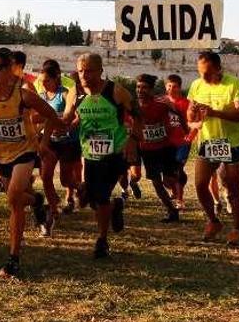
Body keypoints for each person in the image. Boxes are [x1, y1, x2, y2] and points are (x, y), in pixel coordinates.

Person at [0, 48, 61, 277]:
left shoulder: (24, 96)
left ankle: (13, 259)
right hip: (1, 155)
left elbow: (52, 116)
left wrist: (44, 143)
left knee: (12, 198)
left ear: (10, 69)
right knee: (20, 198)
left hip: (25, 151)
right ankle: (37, 200)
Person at [63, 53, 139, 259]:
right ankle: (116, 207)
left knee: (101, 195)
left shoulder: (115, 90)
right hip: (90, 154)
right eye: (80, 71)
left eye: (89, 71)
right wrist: (59, 126)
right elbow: (69, 116)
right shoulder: (74, 92)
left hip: (115, 152)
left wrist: (132, 140)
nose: (84, 75)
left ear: (100, 71)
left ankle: (102, 241)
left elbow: (138, 115)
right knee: (94, 201)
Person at [187, 51, 239, 245]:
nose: (202, 76)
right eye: (200, 72)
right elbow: (190, 115)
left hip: (231, 143)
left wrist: (214, 112)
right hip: (208, 142)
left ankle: (237, 228)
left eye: (207, 72)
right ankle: (213, 221)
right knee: (199, 184)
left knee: (233, 188)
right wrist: (193, 113)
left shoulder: (234, 84)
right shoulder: (197, 85)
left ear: (218, 68)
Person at [34, 60, 82, 231]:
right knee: (46, 176)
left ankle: (82, 188)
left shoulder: (65, 95)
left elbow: (78, 117)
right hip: (51, 142)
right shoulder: (41, 97)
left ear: (56, 79)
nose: (44, 84)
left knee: (65, 180)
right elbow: (38, 118)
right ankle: (53, 210)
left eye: (47, 80)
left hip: (69, 142)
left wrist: (67, 127)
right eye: (41, 81)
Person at [136, 74, 181, 223]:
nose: (140, 90)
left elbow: (178, 113)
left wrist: (185, 130)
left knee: (168, 181)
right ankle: (172, 211)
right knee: (156, 183)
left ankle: (178, 176)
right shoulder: (133, 106)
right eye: (138, 87)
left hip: (165, 147)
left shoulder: (162, 103)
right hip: (147, 150)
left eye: (144, 88)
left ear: (151, 89)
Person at [162, 74, 194, 209]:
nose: (172, 89)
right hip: (165, 143)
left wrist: (191, 136)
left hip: (182, 142)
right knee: (167, 177)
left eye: (175, 86)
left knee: (178, 169)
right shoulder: (161, 102)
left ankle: (180, 199)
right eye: (169, 86)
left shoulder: (186, 103)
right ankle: (174, 191)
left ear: (180, 88)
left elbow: (193, 122)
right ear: (165, 87)